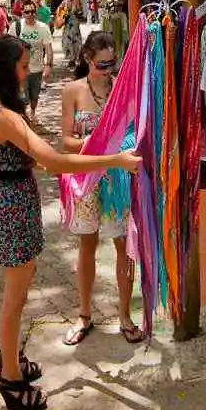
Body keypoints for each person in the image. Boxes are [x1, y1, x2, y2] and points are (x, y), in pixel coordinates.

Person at [0, 35, 138, 410]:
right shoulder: (4, 117)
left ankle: (10, 357)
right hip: (12, 206)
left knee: (21, 291)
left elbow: (42, 158)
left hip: (11, 199)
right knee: (14, 299)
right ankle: (9, 377)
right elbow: (54, 160)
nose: (29, 74)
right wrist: (113, 161)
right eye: (24, 67)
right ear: (6, 69)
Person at [60, 31, 140, 346]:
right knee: (87, 246)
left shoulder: (124, 88)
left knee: (124, 246)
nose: (108, 71)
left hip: (118, 178)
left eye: (112, 64)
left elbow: (135, 131)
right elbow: (66, 141)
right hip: (87, 178)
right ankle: (84, 314)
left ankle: (125, 315)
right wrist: (98, 145)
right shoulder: (73, 91)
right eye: (101, 65)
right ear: (87, 60)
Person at [17, 6, 54, 116]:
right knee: (23, 96)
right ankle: (24, 117)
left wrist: (48, 65)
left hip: (37, 68)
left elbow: (48, 48)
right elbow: (10, 44)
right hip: (21, 68)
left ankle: (33, 112)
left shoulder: (43, 27)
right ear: (22, 13)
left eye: (33, 12)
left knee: (34, 95)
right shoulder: (17, 26)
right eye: (27, 12)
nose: (30, 14)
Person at [60, 0, 84, 66]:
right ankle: (71, 58)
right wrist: (63, 15)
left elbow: (80, 12)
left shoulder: (76, 1)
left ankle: (75, 57)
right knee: (67, 41)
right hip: (67, 25)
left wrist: (77, 7)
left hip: (74, 24)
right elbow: (59, 11)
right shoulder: (64, 2)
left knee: (75, 40)